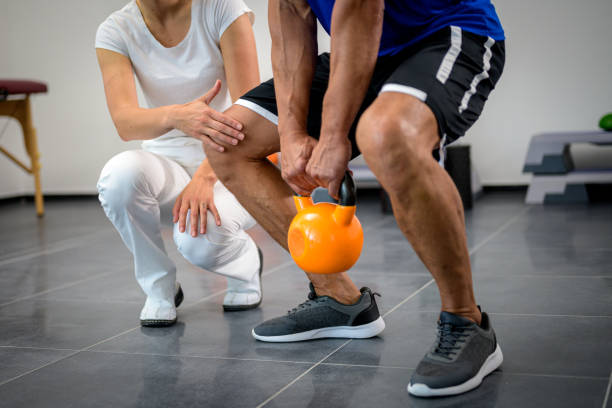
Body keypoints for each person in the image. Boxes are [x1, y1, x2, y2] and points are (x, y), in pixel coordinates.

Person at [201, 0, 506, 397]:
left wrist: (332, 136)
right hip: (364, 51)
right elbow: (291, 19)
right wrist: (292, 136)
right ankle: (338, 300)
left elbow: (363, 10)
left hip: (444, 33)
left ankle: (467, 322)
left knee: (387, 134)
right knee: (228, 140)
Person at [95, 0, 262, 327]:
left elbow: (251, 111)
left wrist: (206, 176)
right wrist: (176, 115)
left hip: (231, 157)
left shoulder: (221, 9)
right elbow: (126, 124)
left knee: (199, 242)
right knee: (119, 176)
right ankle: (159, 286)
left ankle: (245, 263)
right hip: (165, 160)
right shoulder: (116, 29)